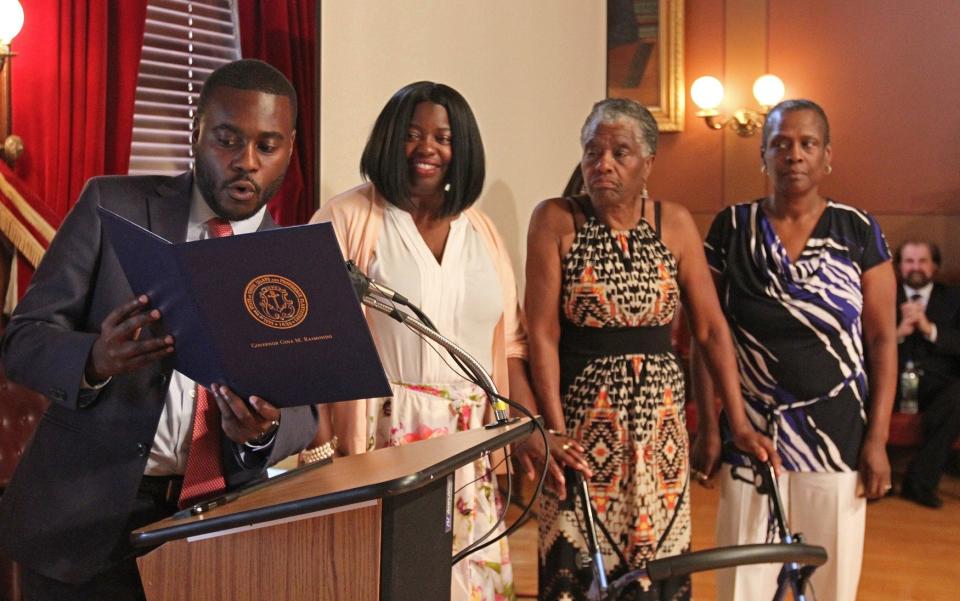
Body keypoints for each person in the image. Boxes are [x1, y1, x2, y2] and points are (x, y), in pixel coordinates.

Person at [0, 59, 319, 600]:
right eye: (227, 139)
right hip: (84, 525)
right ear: (196, 131)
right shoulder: (113, 206)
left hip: (218, 526)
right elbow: (24, 339)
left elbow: (304, 412)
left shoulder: (293, 264)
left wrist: (261, 432)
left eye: (267, 146)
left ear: (289, 149)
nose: (246, 162)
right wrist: (94, 360)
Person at [522, 98, 776, 600]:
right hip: (582, 426)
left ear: (649, 164)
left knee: (657, 556)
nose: (604, 164)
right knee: (577, 558)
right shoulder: (555, 219)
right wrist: (554, 428)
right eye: (593, 151)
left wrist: (739, 423)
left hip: (660, 429)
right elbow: (542, 334)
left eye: (620, 152)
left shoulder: (674, 223)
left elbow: (710, 331)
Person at [309, 81, 535, 601]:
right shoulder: (348, 217)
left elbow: (511, 343)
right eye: (412, 134)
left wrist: (516, 422)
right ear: (390, 140)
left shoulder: (483, 231)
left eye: (443, 136)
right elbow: (312, 340)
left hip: (468, 447)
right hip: (378, 440)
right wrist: (323, 452)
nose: (427, 148)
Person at [693, 99, 897, 601]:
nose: (794, 155)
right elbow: (705, 336)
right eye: (781, 144)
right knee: (744, 584)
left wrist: (877, 440)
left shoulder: (858, 230)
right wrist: (710, 428)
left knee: (830, 582)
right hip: (751, 435)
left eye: (807, 144)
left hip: (837, 433)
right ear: (763, 155)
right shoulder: (731, 228)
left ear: (827, 156)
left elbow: (882, 339)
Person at [895, 240, 960, 508]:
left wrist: (929, 328)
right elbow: (861, 343)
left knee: (955, 399)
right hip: (892, 381)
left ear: (934, 266)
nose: (916, 267)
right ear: (899, 267)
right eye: (909, 261)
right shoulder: (883, 293)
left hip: (937, 385)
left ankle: (919, 483)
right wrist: (897, 333)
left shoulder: (954, 298)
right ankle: (874, 480)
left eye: (922, 261)